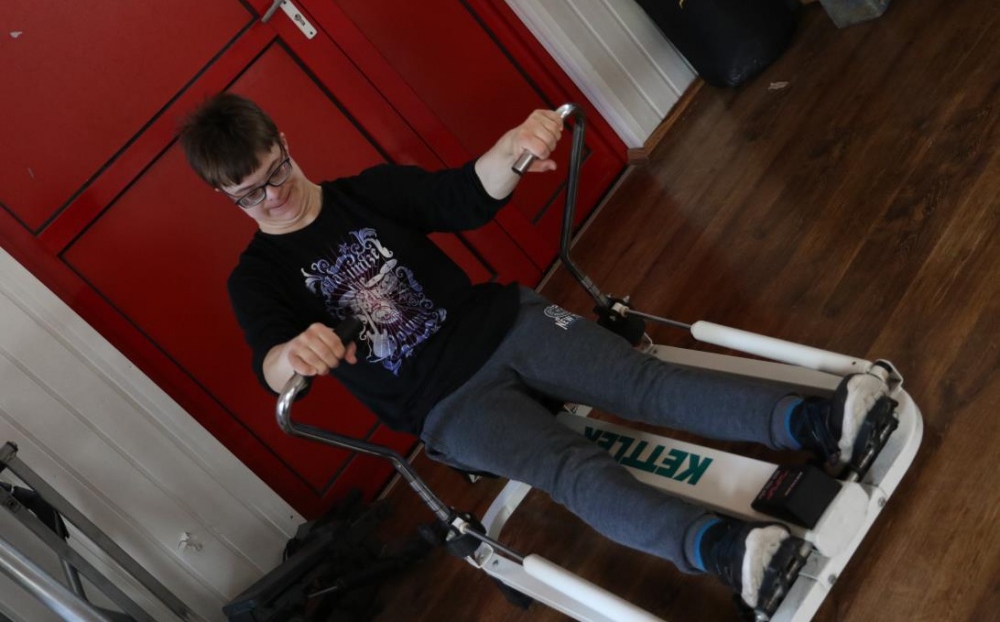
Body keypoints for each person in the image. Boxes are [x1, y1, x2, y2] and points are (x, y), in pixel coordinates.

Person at [180, 92, 888, 612]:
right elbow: (268, 366)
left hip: (505, 322)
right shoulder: (257, 279)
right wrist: (292, 355)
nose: (273, 198)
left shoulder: (366, 192)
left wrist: (514, 147)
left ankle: (818, 423)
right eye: (248, 195)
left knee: (643, 381)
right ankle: (727, 552)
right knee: (569, 468)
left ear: (285, 142)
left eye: (276, 172)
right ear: (221, 195)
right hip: (445, 404)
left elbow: (463, 195)